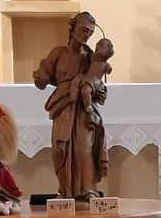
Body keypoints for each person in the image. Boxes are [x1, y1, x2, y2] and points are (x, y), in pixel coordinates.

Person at [33, 10, 113, 197]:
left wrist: (98, 90)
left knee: (84, 148)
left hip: (84, 109)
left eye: (90, 32)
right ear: (73, 28)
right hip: (63, 106)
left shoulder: (90, 56)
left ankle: (87, 189)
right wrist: (41, 77)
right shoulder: (58, 53)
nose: (87, 35)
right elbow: (43, 78)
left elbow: (97, 81)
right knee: (61, 149)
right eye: (84, 30)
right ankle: (65, 192)